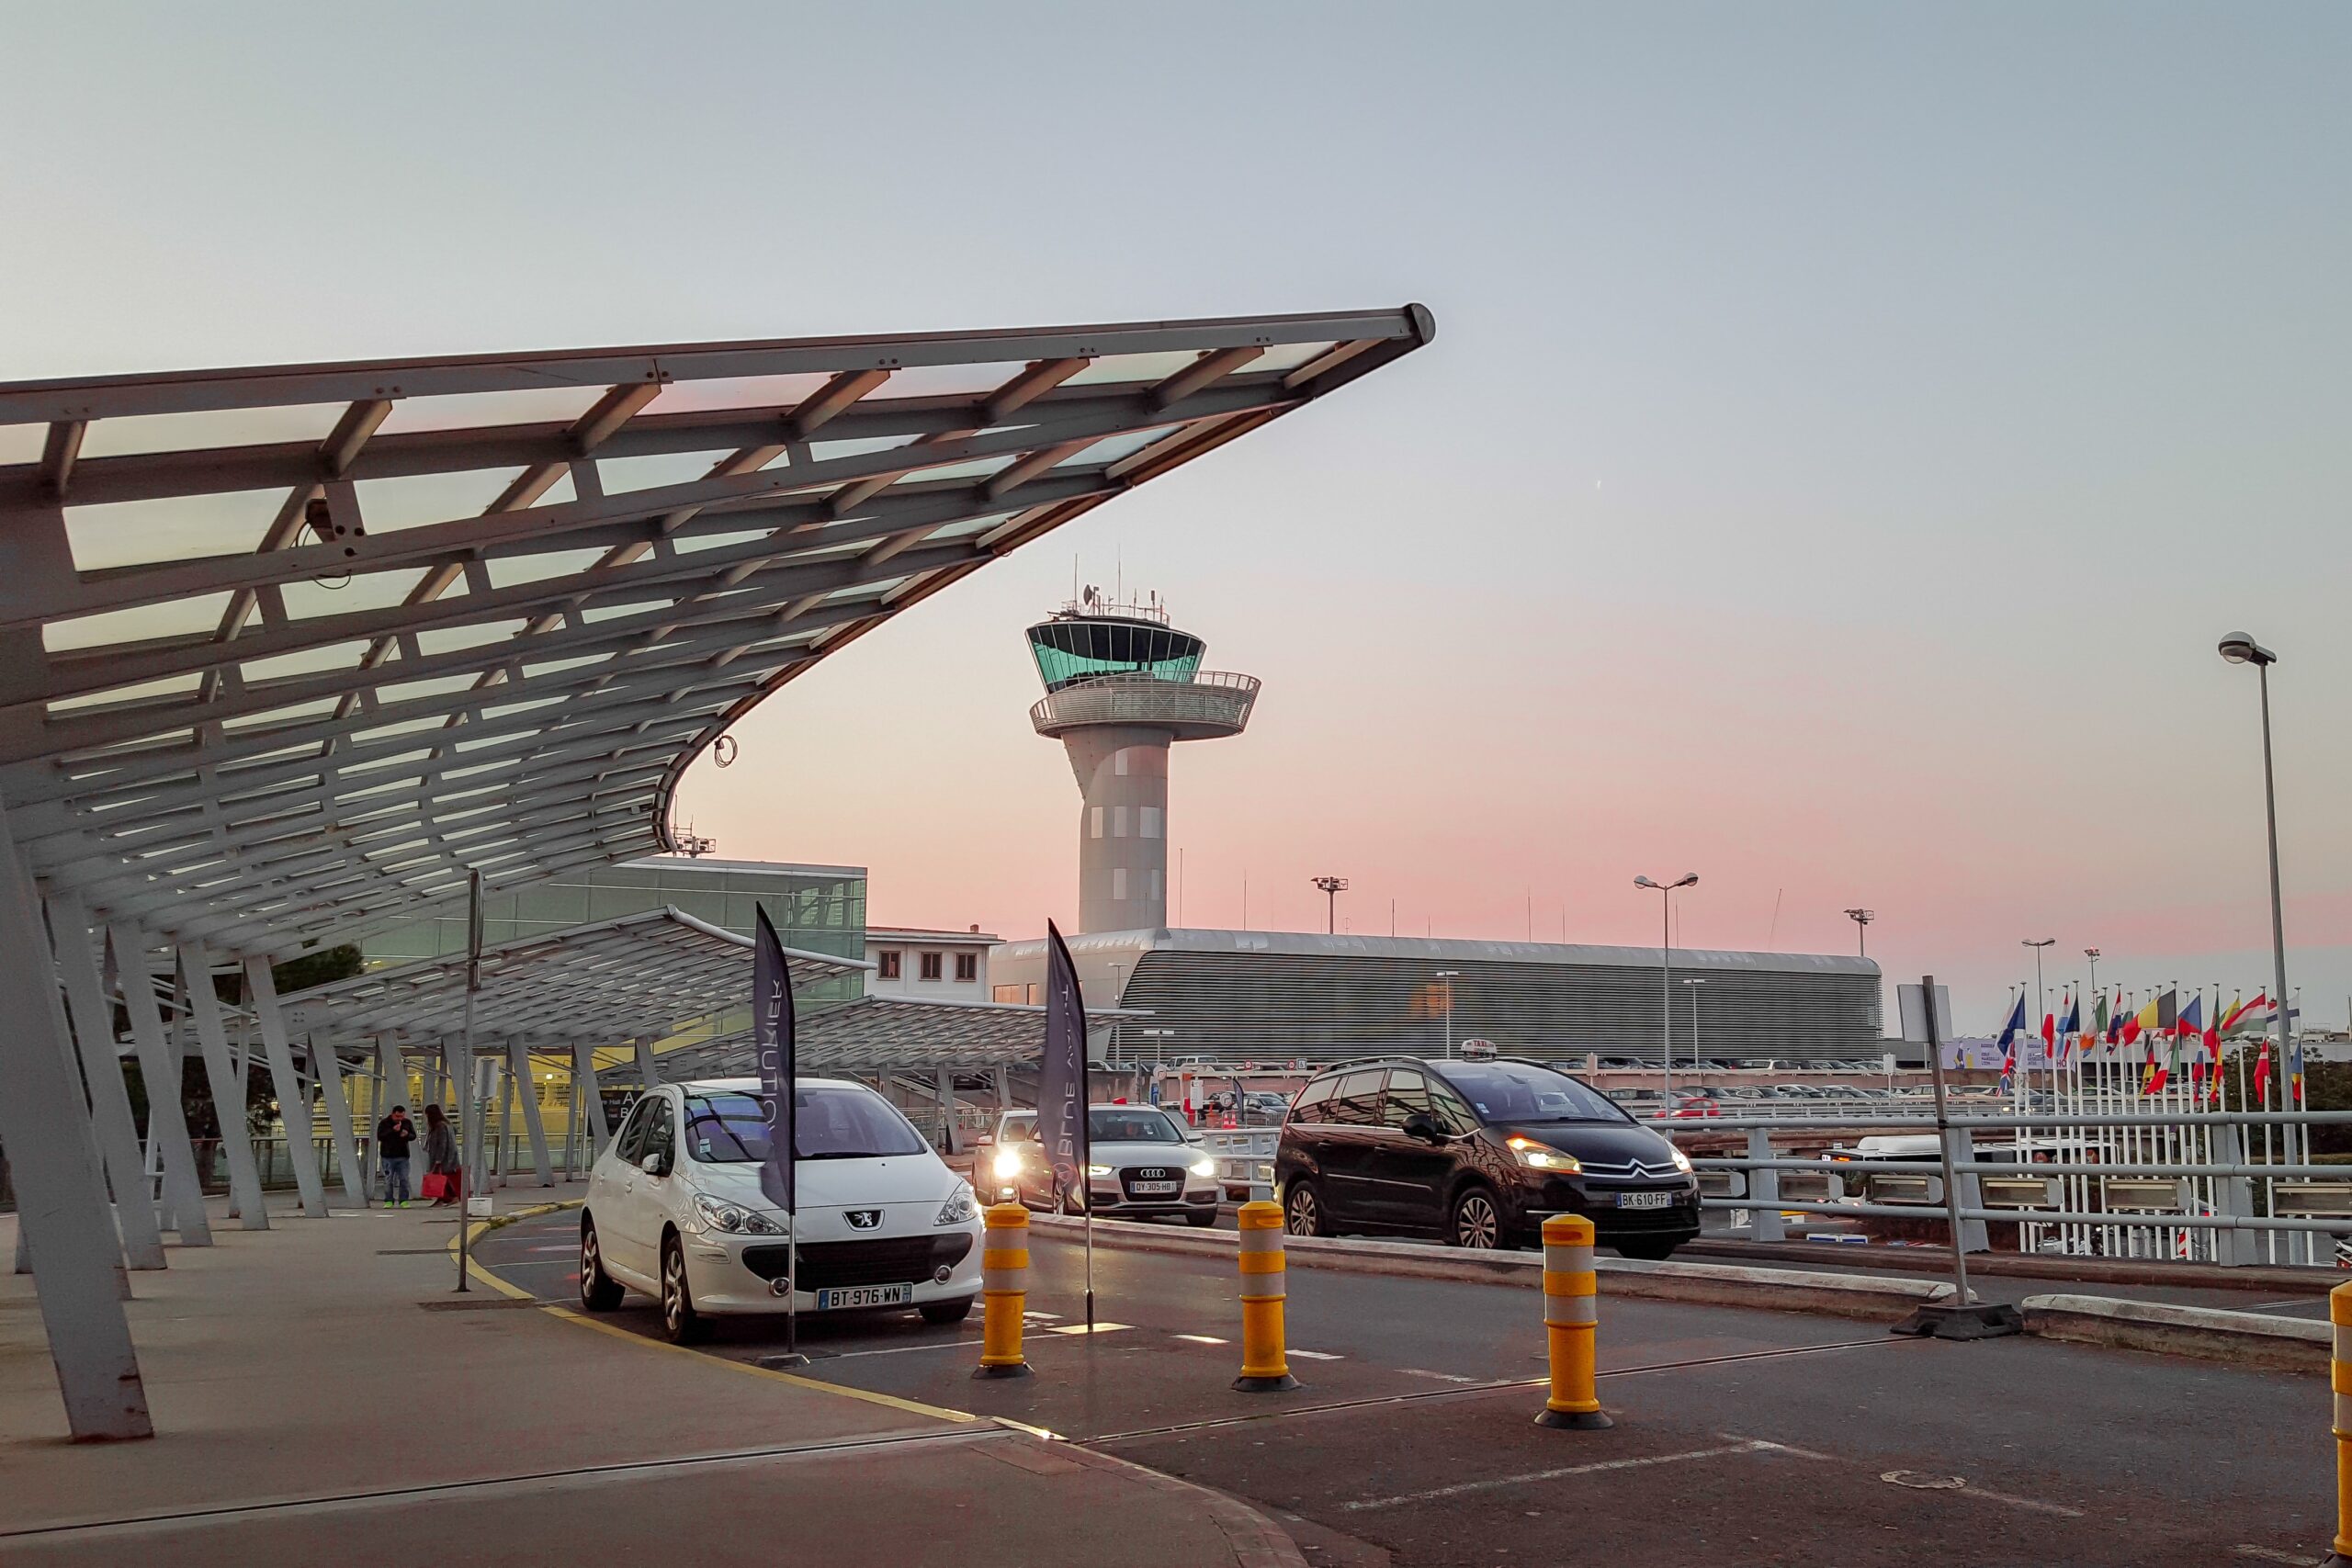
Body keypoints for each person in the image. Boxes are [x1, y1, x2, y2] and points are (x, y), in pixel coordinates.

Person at [375, 1105, 417, 1207]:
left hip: (403, 1156)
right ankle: (388, 1200)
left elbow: (413, 1136)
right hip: (388, 1156)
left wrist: (406, 1135)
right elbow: (380, 1136)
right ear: (393, 1114)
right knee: (388, 1179)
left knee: (404, 1178)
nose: (399, 1119)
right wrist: (393, 1131)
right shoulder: (385, 1123)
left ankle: (403, 1200)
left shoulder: (407, 1123)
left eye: (401, 1116)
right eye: (397, 1116)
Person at [422, 1103, 461, 1208]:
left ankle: (452, 1197)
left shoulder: (440, 1126)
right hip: (448, 1156)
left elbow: (442, 1144)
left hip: (443, 1157)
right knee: (441, 1177)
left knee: (441, 1177)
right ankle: (443, 1198)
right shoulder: (447, 1124)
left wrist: (438, 1160)